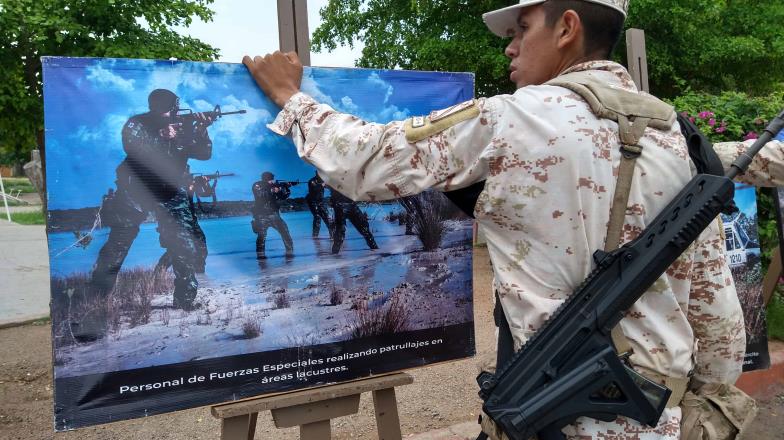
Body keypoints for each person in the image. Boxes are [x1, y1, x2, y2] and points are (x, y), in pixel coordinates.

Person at [242, 0, 770, 437]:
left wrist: (290, 97)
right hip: (659, 420)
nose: (510, 47)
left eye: (520, 30)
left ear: (567, 27)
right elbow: (714, 304)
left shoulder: (512, 118)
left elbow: (367, 160)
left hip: (553, 418)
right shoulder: (677, 137)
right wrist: (703, 405)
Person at [83, 89, 214, 341]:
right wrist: (162, 136)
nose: (172, 113)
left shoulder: (185, 125)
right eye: (167, 109)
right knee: (120, 242)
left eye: (174, 108)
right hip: (136, 188)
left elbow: (204, 154)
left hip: (171, 189)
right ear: (154, 108)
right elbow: (133, 149)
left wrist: (202, 130)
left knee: (184, 243)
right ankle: (97, 299)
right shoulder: (137, 124)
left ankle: (185, 301)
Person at [251, 171, 294, 259]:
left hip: (274, 215)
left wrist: (286, 188)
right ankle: (261, 258)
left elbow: (283, 197)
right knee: (262, 237)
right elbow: (260, 194)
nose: (272, 181)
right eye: (270, 179)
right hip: (261, 215)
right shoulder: (257, 185)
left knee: (285, 232)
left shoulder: (275, 186)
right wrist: (273, 189)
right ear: (266, 179)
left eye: (272, 180)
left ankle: (290, 254)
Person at [328, 185, 379, 254]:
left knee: (365, 229)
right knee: (340, 233)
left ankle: (377, 252)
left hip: (351, 204)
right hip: (339, 205)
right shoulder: (333, 177)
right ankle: (334, 257)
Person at [305, 171, 333, 238]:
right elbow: (314, 188)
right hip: (312, 201)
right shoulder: (311, 181)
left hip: (321, 201)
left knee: (327, 217)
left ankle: (332, 234)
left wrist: (329, 185)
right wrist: (322, 185)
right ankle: (315, 236)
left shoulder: (324, 180)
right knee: (317, 217)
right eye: (319, 172)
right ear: (316, 173)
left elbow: (330, 187)